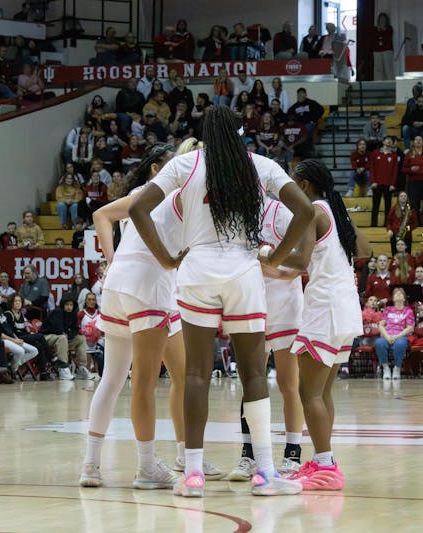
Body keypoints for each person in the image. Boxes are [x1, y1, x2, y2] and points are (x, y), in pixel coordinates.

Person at [128, 105, 313, 497]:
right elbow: (305, 209)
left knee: (196, 374)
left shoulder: (186, 164)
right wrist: (276, 258)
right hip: (244, 271)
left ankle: (193, 475)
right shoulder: (260, 165)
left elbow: (137, 208)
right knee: (254, 375)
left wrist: (166, 259)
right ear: (240, 131)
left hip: (196, 270)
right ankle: (265, 473)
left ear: (204, 133)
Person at [80, 143, 193, 489]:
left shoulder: (142, 191)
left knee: (112, 379)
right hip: (149, 285)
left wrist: (112, 260)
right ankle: (147, 467)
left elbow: (101, 215)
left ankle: (90, 466)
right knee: (144, 382)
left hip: (118, 285)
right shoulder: (176, 194)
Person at [286, 159, 368, 490]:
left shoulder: (313, 212)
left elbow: (300, 260)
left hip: (325, 308)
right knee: (322, 392)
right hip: (345, 307)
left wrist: (262, 253)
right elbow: (365, 249)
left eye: (292, 181)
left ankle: (326, 466)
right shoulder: (336, 211)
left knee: (308, 393)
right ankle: (324, 459)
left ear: (304, 185)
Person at [226, 196, 307, 480]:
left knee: (288, 384)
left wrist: (274, 271)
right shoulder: (238, 216)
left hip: (285, 306)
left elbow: (300, 262)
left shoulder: (282, 213)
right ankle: (249, 455)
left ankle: (293, 454)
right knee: (251, 381)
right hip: (251, 303)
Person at [2, 293, 52, 381]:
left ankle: (43, 373)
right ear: (11, 303)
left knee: (39, 346)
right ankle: (52, 358)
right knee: (40, 336)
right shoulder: (8, 314)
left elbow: (24, 330)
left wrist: (31, 336)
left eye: (19, 301)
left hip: (23, 337)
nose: (18, 303)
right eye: (15, 301)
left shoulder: (21, 314)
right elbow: (9, 331)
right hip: (15, 339)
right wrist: (17, 339)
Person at [375, 287, 414, 381]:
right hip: (387, 335)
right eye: (396, 294)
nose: (398, 294)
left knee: (400, 344)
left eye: (401, 293)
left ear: (404, 298)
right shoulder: (388, 309)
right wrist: (387, 336)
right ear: (393, 298)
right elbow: (381, 325)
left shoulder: (408, 311)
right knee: (379, 343)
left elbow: (410, 327)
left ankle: (397, 368)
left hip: (401, 335)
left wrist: (397, 336)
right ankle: (386, 368)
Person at [369, 136, 399, 228]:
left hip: (388, 185)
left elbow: (395, 171)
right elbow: (372, 168)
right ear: (383, 141)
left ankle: (387, 225)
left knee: (388, 207)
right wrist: (373, 181)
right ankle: (373, 225)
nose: (389, 141)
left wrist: (392, 184)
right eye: (387, 139)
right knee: (375, 206)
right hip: (376, 184)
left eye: (391, 140)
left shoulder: (394, 155)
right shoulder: (375, 153)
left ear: (392, 143)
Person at [387, 191, 419, 255]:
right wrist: (389, 229)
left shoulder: (411, 210)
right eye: (401, 196)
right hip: (395, 235)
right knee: (395, 254)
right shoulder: (393, 209)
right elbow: (388, 222)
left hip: (407, 235)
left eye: (405, 196)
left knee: (407, 254)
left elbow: (415, 223)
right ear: (398, 198)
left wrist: (408, 228)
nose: (403, 197)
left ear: (407, 198)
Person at [372, 13, 395, 81]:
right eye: (381, 19)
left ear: (386, 20)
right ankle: (378, 84)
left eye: (383, 19)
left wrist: (383, 29)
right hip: (377, 51)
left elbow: (388, 38)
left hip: (387, 51)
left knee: (388, 69)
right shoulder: (375, 29)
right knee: (378, 70)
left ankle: (391, 84)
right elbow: (373, 40)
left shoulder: (389, 28)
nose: (382, 20)